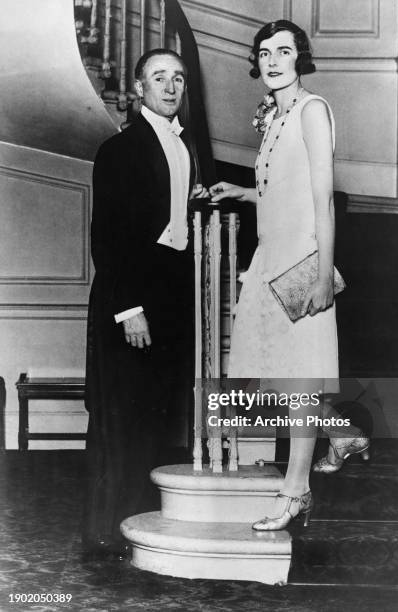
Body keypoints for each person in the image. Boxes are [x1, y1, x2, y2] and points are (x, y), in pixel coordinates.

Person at [210, 20, 369, 530]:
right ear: (256, 62)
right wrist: (244, 194)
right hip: (267, 257)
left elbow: (322, 199)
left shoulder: (312, 109)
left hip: (302, 260)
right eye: (264, 52)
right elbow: (286, 190)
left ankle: (295, 492)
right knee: (273, 373)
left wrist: (323, 275)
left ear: (300, 57)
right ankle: (340, 433)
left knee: (299, 378)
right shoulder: (272, 115)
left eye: (284, 51)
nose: (273, 60)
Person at [83, 48, 208, 557]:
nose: (171, 85)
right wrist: (128, 308)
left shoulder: (186, 146)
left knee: (153, 420)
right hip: (128, 298)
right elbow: (108, 237)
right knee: (119, 420)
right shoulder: (120, 148)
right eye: (159, 77)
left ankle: (137, 529)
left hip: (169, 295)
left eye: (178, 77)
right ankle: (102, 534)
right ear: (138, 89)